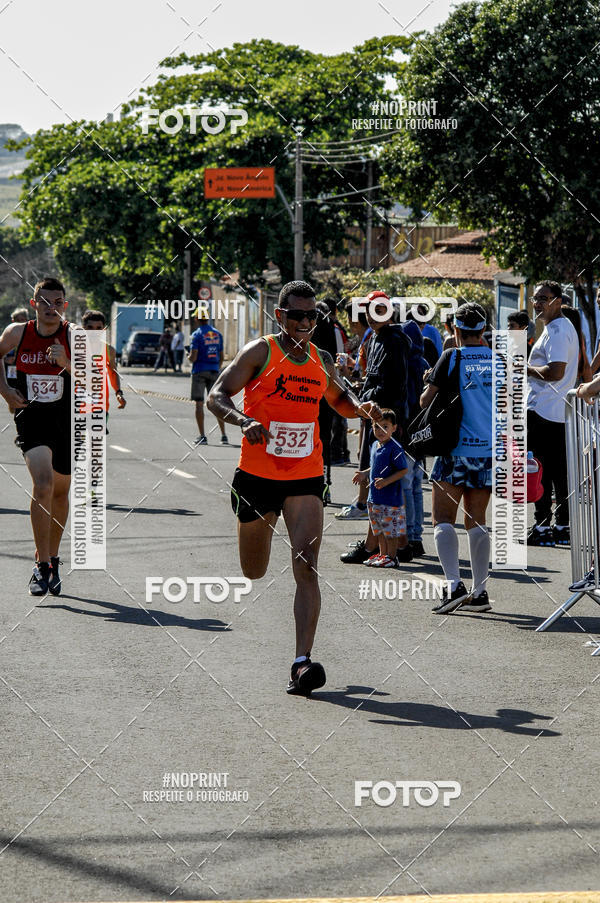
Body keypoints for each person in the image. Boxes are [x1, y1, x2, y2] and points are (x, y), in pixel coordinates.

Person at [207, 280, 381, 696]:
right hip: (257, 476)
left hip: (305, 475)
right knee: (255, 569)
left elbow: (339, 401)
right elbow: (217, 395)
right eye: (297, 314)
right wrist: (243, 421)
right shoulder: (261, 352)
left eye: (312, 315)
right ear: (280, 315)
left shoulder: (320, 358)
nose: (305, 321)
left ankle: (302, 663)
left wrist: (362, 409)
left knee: (306, 565)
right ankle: (298, 656)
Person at [0, 277, 73, 595]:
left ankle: (53, 558)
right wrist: (6, 392)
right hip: (32, 418)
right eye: (44, 301)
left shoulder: (75, 336)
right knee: (42, 484)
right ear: (34, 304)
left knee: (59, 493)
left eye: (57, 302)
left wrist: (67, 363)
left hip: (68, 421)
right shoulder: (18, 333)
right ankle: (42, 566)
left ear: (65, 306)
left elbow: (96, 379)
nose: (50, 308)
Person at [420, 302, 493, 614]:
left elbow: (426, 400)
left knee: (443, 519)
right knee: (477, 521)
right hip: (488, 451)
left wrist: (430, 378)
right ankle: (480, 592)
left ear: (456, 330)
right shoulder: (499, 359)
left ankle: (453, 586)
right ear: (483, 330)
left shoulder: (451, 356)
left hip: (455, 450)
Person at [340, 290, 412, 562]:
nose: (371, 316)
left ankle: (377, 546)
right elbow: (373, 377)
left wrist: (374, 406)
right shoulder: (374, 339)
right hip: (374, 418)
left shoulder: (395, 340)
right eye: (368, 311)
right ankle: (399, 544)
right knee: (378, 486)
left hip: (386, 421)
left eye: (378, 310)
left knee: (380, 486)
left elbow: (394, 384)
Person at [526, 281, 579, 547]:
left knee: (541, 472)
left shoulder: (558, 330)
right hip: (553, 411)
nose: (538, 303)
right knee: (556, 472)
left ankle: (545, 527)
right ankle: (559, 526)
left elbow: (556, 372)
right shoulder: (557, 328)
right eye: (536, 298)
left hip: (545, 411)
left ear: (558, 301)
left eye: (544, 298)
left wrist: (523, 368)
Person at [353, 409, 408, 567]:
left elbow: (403, 470)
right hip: (375, 497)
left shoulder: (394, 447)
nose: (380, 431)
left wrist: (386, 481)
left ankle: (392, 557)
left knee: (390, 529)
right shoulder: (375, 445)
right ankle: (383, 555)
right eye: (377, 427)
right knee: (379, 529)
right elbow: (375, 466)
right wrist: (364, 473)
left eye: (385, 426)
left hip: (390, 498)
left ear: (394, 428)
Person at [189, 312, 227, 445]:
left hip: (199, 371)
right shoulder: (218, 334)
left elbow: (193, 357)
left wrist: (188, 357)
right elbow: (221, 356)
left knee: (199, 404)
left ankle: (202, 436)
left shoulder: (196, 335)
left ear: (196, 319)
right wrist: (217, 367)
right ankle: (223, 435)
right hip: (214, 371)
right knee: (217, 404)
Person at [82, 309, 127, 416]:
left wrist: (118, 392)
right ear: (84, 329)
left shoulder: (109, 350)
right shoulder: (74, 347)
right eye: (90, 327)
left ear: (103, 330)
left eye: (98, 328)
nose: (94, 332)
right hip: (76, 405)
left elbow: (112, 372)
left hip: (100, 404)